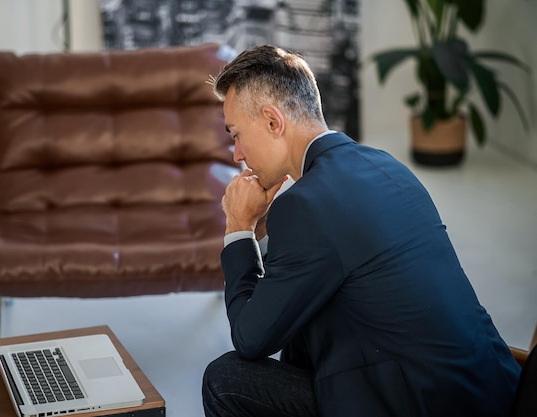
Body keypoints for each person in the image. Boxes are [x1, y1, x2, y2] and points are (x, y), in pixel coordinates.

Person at [201, 44, 521, 417]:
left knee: (225, 380)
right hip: (491, 388)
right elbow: (299, 286)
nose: (236, 154)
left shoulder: (306, 204)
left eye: (236, 134)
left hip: (419, 404)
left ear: (273, 122)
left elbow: (250, 339)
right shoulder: (385, 166)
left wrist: (239, 229)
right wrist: (263, 231)